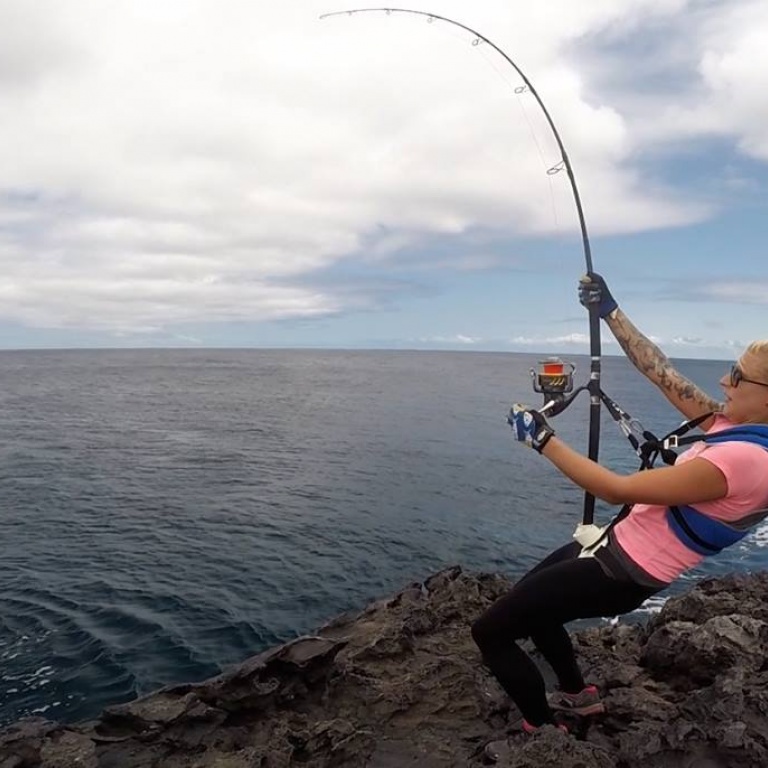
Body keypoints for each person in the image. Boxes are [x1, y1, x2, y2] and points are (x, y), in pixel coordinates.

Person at [471, 273, 768, 734]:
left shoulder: (748, 462)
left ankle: (544, 731)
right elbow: (661, 371)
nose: (724, 381)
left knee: (489, 632)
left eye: (738, 376)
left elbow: (617, 490)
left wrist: (542, 438)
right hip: (610, 547)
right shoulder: (737, 428)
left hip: (621, 573)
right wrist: (609, 310)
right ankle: (578, 697)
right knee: (531, 608)